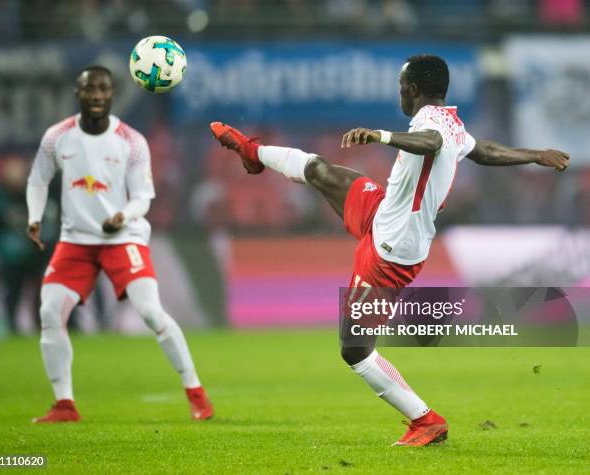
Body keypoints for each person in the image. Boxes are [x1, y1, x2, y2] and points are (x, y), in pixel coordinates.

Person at [210, 54, 569, 446]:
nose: (399, 92)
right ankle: (251, 152)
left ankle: (426, 420)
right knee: (317, 169)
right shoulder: (450, 120)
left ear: (412, 89)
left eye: (401, 86)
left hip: (390, 250)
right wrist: (535, 154)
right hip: (381, 210)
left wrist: (380, 135)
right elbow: (481, 150)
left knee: (356, 351)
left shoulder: (432, 126)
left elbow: (430, 144)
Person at [26, 65, 213, 423]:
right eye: (89, 89)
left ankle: (196, 393)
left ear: (112, 95)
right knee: (49, 313)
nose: (96, 96)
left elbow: (144, 198)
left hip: (122, 237)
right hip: (76, 240)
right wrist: (34, 217)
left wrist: (123, 217)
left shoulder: (131, 140)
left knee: (150, 313)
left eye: (103, 90)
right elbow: (37, 180)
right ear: (78, 94)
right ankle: (64, 404)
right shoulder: (57, 137)